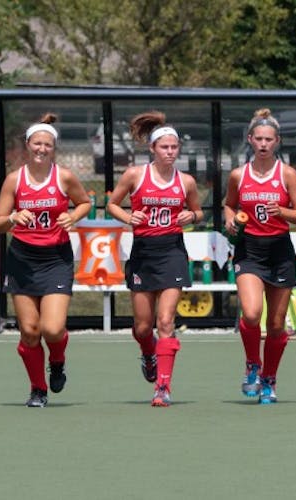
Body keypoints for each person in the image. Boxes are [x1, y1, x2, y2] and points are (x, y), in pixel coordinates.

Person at [0, 113, 92, 407]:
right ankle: (38, 389)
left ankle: (57, 361)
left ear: (53, 148)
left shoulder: (64, 177)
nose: (42, 149)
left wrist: (73, 216)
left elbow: (84, 202)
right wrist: (11, 218)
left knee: (52, 328)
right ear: (27, 145)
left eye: (47, 144)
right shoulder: (15, 180)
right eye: (37, 143)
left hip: (55, 259)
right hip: (22, 259)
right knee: (30, 331)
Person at [106, 111, 202, 407]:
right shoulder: (136, 175)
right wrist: (127, 216)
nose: (170, 152)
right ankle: (148, 354)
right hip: (143, 252)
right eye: (164, 147)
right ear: (153, 149)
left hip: (172, 250)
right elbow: (112, 204)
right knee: (143, 327)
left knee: (166, 320)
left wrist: (192, 216)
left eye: (174, 147)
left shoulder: (185, 181)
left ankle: (163, 387)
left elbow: (198, 212)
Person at [223, 108, 296, 405]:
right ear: (250, 140)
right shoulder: (238, 175)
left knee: (275, 324)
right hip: (250, 250)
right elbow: (229, 205)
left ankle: (269, 379)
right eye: (258, 138)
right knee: (250, 313)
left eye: (268, 139)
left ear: (277, 142)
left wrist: (282, 211)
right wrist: (230, 219)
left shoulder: (287, 174)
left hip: (280, 251)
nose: (263, 144)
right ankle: (252, 364)